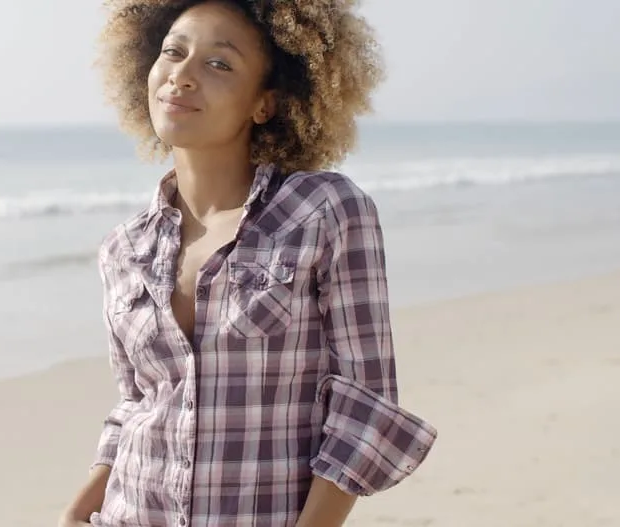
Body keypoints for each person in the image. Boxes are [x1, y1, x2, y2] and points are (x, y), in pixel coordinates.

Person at [60, 1, 437, 526]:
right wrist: (77, 510)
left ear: (265, 103)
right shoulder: (124, 249)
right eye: (173, 52)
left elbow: (366, 404)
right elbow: (136, 405)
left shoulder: (324, 210)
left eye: (219, 64)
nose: (182, 76)